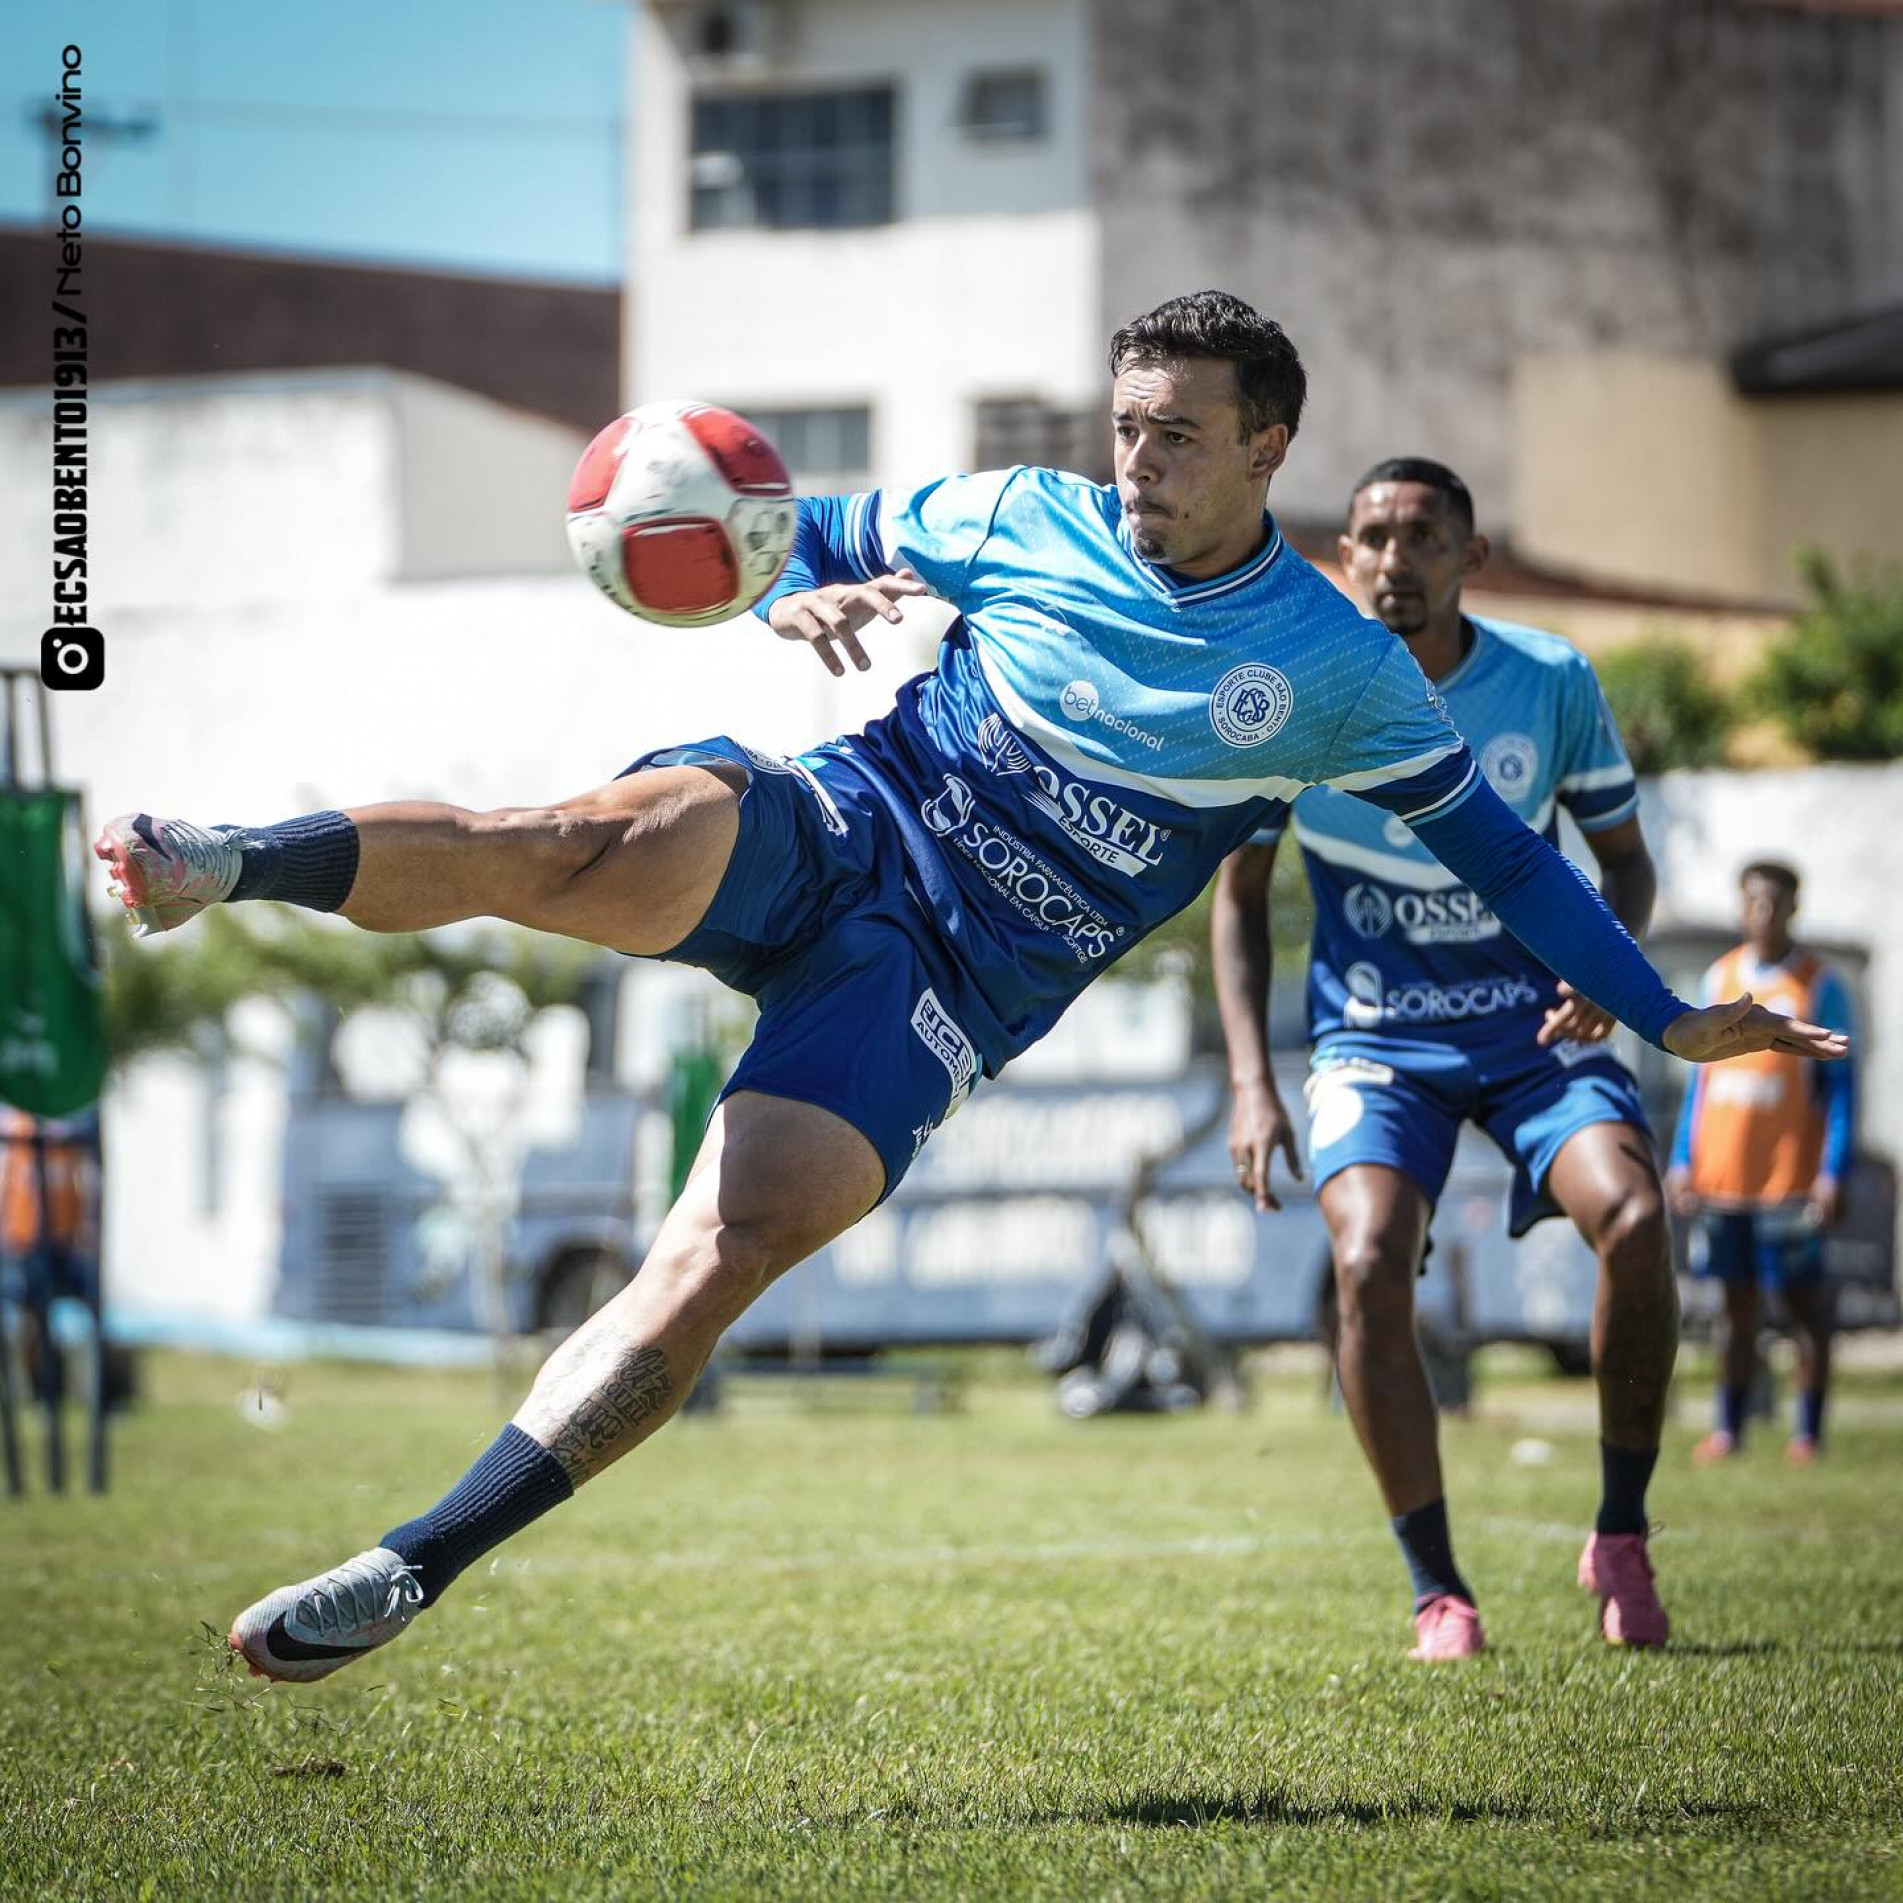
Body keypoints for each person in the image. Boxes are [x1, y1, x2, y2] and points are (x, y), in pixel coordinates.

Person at [95, 293, 1842, 1685]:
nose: (1138, 460)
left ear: (1264, 444)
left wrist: (1661, 1012)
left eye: (1175, 433)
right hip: (841, 831)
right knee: (561, 840)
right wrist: (791, 591)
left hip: (944, 997)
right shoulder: (1019, 513)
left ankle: (413, 1561)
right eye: (1125, 427)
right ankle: (226, 858)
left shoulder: (1341, 672)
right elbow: (792, 529)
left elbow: (1517, 863)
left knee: (723, 1250)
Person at [1211, 458, 1688, 1656]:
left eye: (1422, 537)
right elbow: (1238, 897)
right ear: (1342, 558)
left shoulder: (1548, 681)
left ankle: (1620, 1531)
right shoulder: (1298, 698)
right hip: (1374, 1038)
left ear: (1470, 559)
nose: (1391, 559)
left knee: (1633, 1220)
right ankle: (1439, 1591)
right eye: (1369, 537)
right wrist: (1250, 1082)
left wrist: (1604, 963)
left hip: (1537, 1032)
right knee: (1367, 1253)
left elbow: (1624, 860)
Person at [1670, 862, 1856, 1465]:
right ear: (1741, 906)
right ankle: (1729, 1429)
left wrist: (1831, 1171)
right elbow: (1697, 1084)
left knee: (1802, 1309)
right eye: (1754, 902)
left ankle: (1808, 1433)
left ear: (1793, 909)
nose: (1764, 913)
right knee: (1734, 1309)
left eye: (1776, 903)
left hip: (1789, 1181)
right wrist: (1682, 1159)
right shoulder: (1720, 976)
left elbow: (1841, 1090)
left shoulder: (1818, 984)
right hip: (1723, 1179)